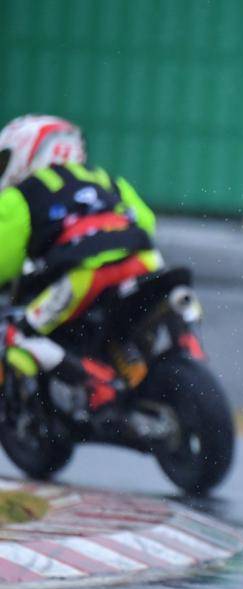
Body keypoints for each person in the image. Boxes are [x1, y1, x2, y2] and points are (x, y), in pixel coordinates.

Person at [0, 114, 162, 419]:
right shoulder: (105, 179)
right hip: (144, 261)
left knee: (17, 337)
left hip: (85, 274)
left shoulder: (22, 194)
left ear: (27, 153)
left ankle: (99, 388)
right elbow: (147, 222)